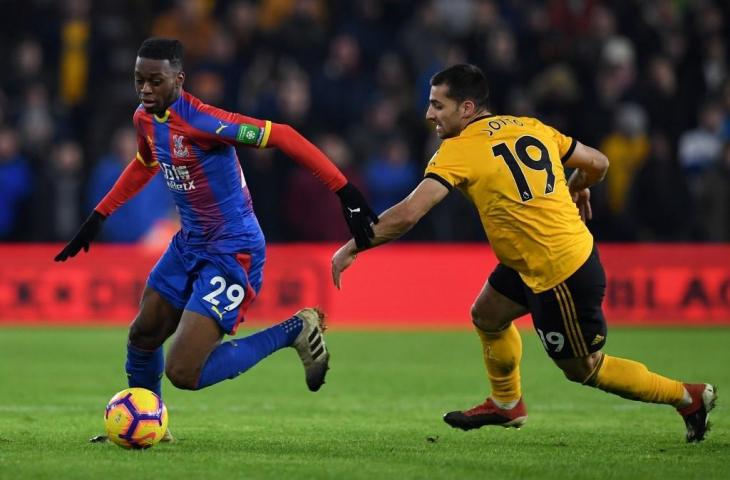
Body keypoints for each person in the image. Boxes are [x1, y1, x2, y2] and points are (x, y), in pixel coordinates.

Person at [331, 64, 717, 443]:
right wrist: (580, 184)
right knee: (487, 314)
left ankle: (688, 397)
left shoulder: (459, 149)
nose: (429, 113)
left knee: (585, 369)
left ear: (467, 108)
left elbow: (409, 214)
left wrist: (353, 246)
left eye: (438, 105)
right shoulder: (529, 126)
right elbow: (598, 163)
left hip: (559, 271)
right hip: (532, 260)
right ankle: (507, 403)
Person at [55, 38, 378, 441]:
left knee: (184, 372)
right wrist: (99, 216)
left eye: (156, 81)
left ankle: (294, 330)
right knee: (143, 334)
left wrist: (344, 191)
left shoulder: (204, 121)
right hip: (189, 242)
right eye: (140, 80)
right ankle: (151, 423)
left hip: (232, 249)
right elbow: (145, 162)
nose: (146, 90)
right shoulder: (144, 117)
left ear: (179, 79)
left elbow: (283, 135)